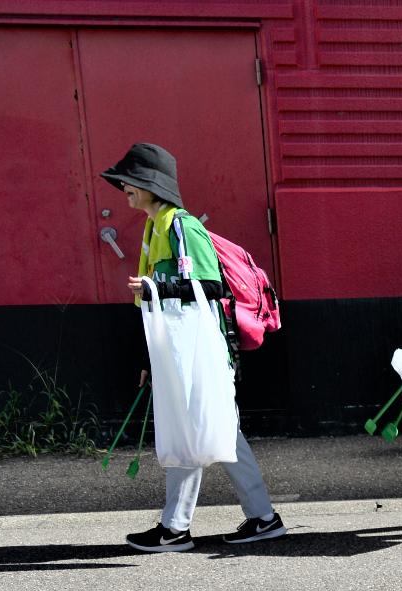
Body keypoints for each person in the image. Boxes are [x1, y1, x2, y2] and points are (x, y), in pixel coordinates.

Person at [103, 143, 285, 554]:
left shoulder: (183, 227)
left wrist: (158, 286)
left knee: (197, 429)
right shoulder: (156, 228)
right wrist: (151, 358)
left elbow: (210, 287)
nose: (123, 189)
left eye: (130, 182)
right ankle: (261, 518)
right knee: (217, 430)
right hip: (179, 349)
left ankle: (177, 527)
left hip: (200, 350)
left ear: (153, 185)